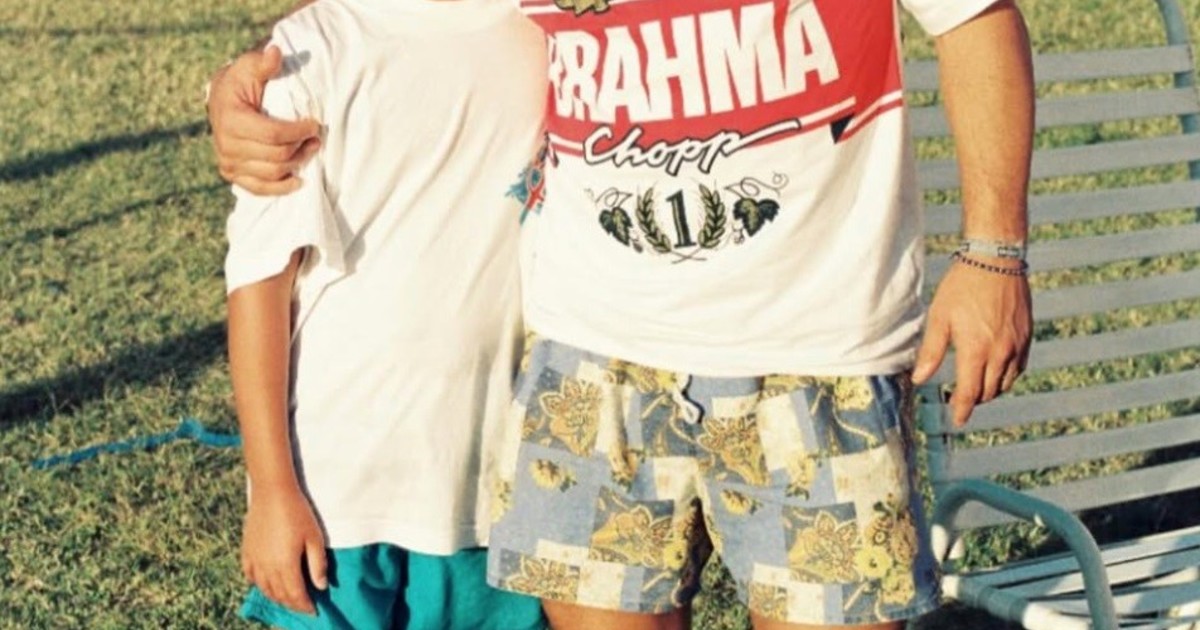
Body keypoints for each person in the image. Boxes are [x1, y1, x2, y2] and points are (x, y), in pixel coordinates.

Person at [209, 0, 1034, 627]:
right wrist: (248, 89)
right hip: (593, 366)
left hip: (817, 358)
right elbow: (403, 28)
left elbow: (976, 17)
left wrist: (994, 253)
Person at [221, 0, 548, 627]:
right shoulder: (312, 48)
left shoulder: (555, 32)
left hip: (492, 487)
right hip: (336, 493)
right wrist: (271, 488)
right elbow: (259, 280)